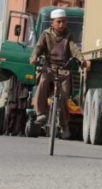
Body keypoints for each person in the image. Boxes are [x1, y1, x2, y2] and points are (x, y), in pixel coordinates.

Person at [29, 8, 89, 139]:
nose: (62, 24)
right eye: (59, 22)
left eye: (64, 22)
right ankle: (41, 114)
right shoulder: (45, 34)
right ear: (53, 23)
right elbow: (38, 47)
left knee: (63, 98)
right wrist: (34, 57)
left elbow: (74, 48)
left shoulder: (68, 35)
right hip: (48, 68)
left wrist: (81, 59)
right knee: (43, 81)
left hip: (64, 69)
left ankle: (64, 125)